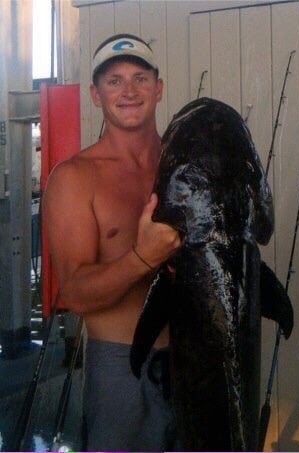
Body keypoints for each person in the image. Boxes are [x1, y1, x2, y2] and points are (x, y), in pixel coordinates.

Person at [42, 33, 182, 451]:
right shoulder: (74, 178)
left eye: (140, 78)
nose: (128, 91)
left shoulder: (185, 166)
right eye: (114, 80)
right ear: (95, 94)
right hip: (121, 372)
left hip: (197, 361)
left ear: (158, 89)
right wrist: (143, 257)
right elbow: (77, 294)